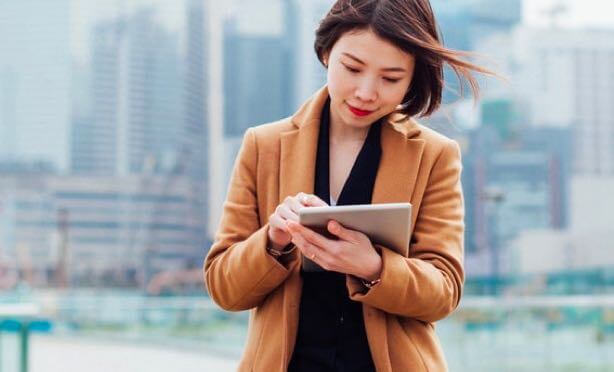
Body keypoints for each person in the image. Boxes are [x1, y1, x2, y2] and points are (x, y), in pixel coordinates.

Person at [205, 0, 491, 370]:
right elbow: (224, 289)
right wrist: (273, 241)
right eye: (352, 68)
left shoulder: (434, 155)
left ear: (411, 79)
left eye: (390, 78)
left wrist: (374, 267)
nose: (366, 92)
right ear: (326, 53)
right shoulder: (264, 146)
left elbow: (444, 292)